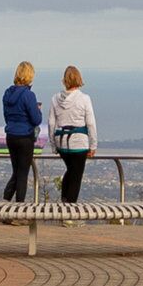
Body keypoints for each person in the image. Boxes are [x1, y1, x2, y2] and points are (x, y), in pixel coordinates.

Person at [46, 65, 98, 204]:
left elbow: (51, 123)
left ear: (64, 80)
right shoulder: (84, 98)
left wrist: (53, 145)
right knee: (76, 176)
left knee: (71, 171)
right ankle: (69, 211)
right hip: (79, 143)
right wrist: (93, 146)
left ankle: (64, 202)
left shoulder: (55, 99)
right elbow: (91, 123)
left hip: (61, 142)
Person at [0, 61, 45, 203]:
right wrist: (37, 110)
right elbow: (36, 119)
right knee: (23, 173)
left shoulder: (7, 93)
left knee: (16, 171)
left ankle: (5, 202)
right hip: (25, 137)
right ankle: (19, 209)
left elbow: (7, 116)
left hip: (11, 136)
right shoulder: (28, 95)